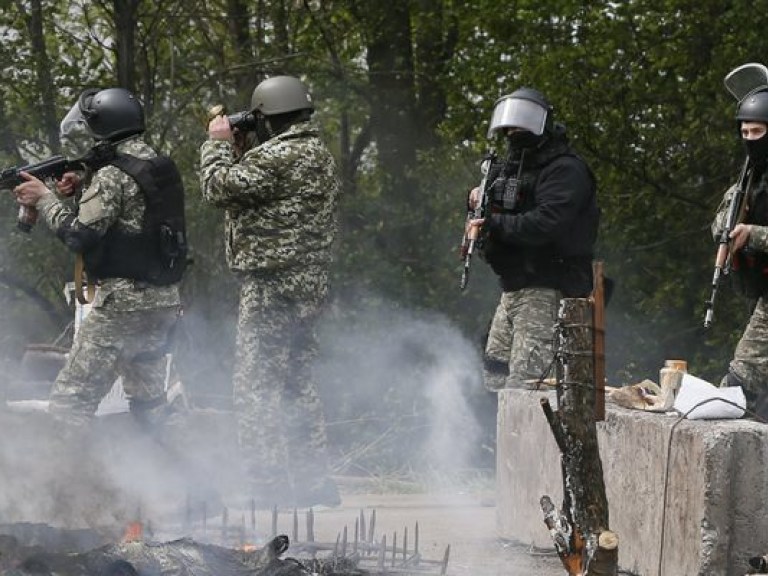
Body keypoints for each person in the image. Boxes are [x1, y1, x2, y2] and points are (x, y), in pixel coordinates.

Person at [200, 75, 341, 508]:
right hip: (308, 283)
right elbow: (261, 190)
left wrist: (217, 142)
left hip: (271, 284)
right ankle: (314, 482)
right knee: (297, 383)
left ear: (268, 117)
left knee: (257, 387)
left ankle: (266, 487)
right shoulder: (316, 153)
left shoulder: (278, 155)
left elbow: (216, 187)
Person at [12, 87, 186, 429]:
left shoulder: (112, 175)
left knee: (69, 401)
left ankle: (66, 482)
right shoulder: (159, 165)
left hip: (122, 307)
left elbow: (79, 235)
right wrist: (83, 185)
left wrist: (45, 199)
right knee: (151, 404)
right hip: (162, 300)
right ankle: (193, 477)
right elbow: (133, 218)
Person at [467, 87, 599, 391]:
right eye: (509, 127)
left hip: (548, 286)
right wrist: (477, 200)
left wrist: (493, 224)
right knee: (495, 375)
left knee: (527, 385)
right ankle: (498, 438)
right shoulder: (515, 167)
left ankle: (529, 440)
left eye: (520, 125)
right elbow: (498, 203)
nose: (514, 132)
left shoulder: (565, 170)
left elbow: (547, 223)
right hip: (514, 288)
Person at [714, 89, 768, 420]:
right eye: (745, 132)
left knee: (741, 387)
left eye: (757, 132)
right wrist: (728, 227)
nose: (750, 140)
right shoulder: (751, 177)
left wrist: (754, 235)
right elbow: (719, 222)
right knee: (738, 385)